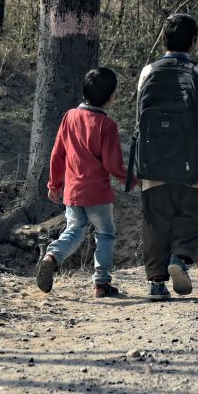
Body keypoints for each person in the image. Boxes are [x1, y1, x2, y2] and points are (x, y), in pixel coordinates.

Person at [135, 14, 198, 301]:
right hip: (188, 156)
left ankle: (156, 283)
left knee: (155, 218)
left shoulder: (149, 71)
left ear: (163, 40)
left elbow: (139, 119)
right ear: (194, 42)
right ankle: (180, 258)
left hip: (153, 158)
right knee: (190, 213)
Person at [36, 67, 130, 298]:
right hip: (98, 194)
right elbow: (112, 165)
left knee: (74, 230)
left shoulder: (70, 117)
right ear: (111, 97)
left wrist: (54, 184)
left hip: (73, 192)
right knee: (105, 234)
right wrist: (130, 177)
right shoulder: (107, 125)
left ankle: (52, 256)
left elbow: (58, 153)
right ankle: (101, 282)